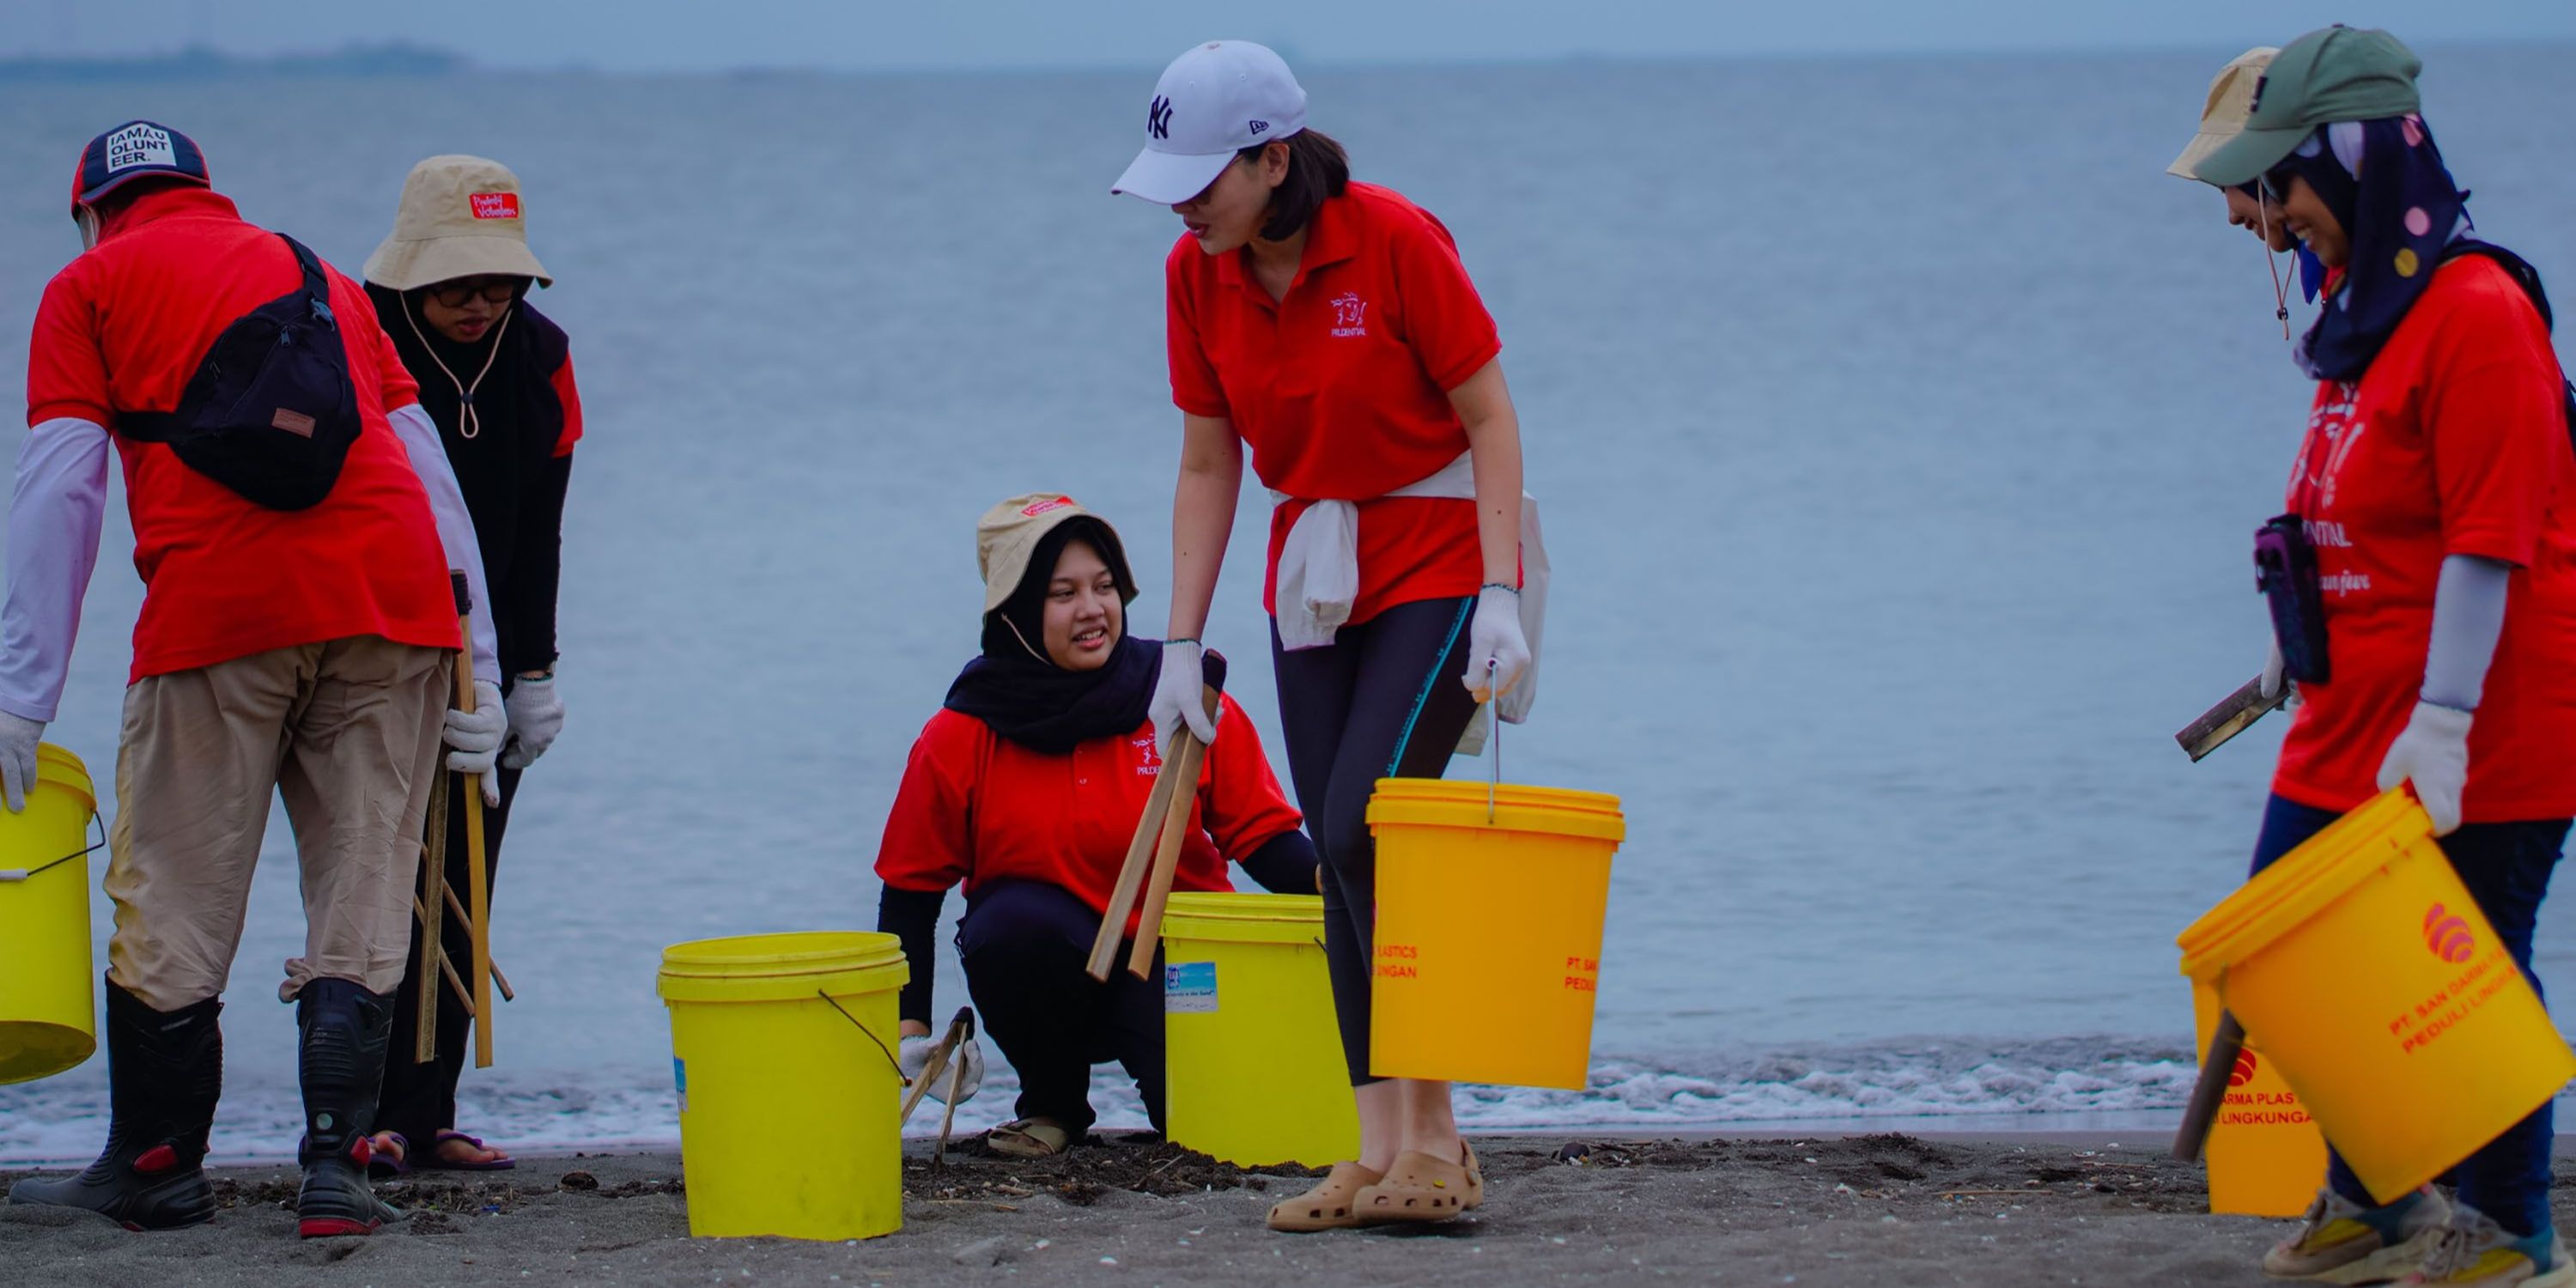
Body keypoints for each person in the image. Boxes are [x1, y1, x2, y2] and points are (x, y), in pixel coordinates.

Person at [1, 122, 505, 1239]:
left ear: (91, 210)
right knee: (364, 890)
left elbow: (61, 492)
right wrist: (486, 671)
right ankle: (335, 1172)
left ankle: (159, 1162)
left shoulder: (86, 287)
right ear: (207, 194)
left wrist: (20, 693)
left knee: (174, 891)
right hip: (399, 612)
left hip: (220, 617)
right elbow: (426, 468)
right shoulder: (317, 270)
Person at [1112, 41, 1540, 1230]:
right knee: (1336, 857)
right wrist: (1178, 646)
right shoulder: (1196, 274)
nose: (1186, 204)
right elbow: (1209, 460)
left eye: (1205, 179)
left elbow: (1491, 414)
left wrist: (1501, 592)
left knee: (1367, 827)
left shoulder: (1394, 236)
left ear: (1274, 159)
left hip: (1445, 550)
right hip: (1315, 575)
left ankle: (1441, 1143)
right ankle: (1371, 1150)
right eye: (1174, 181)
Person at [2188, 27, 2576, 1286]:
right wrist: (2292, 641)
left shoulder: (2476, 311)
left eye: (2280, 185)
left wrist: (2448, 723)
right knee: (2287, 956)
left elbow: (2491, 537)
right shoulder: (2364, 314)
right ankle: (2378, 1197)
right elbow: (2347, 507)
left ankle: (2512, 1230)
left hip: (2489, 719)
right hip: (2348, 708)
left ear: (2352, 159)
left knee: (2465, 971)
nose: (2270, 217)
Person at [873, 493, 1319, 1157]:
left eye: (1105, 587)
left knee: (1211, 1134)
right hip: (1049, 974)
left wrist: (1349, 887)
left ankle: (1188, 1081)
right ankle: (1052, 1106)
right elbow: (910, 893)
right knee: (1008, 925)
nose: (1093, 610)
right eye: (1062, 593)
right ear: (1017, 611)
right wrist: (911, 1036)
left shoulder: (1178, 698)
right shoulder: (962, 734)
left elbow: (1263, 838)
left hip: (1176, 974)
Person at [359, 155, 580, 1176]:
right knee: (375, 879)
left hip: (495, 665)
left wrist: (532, 675)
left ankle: (429, 1109)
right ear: (410, 274)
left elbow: (542, 528)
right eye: (458, 285)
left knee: (465, 877)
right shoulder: (356, 336)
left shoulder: (542, 357)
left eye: (499, 283)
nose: (481, 303)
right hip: (376, 644)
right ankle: (361, 1112)